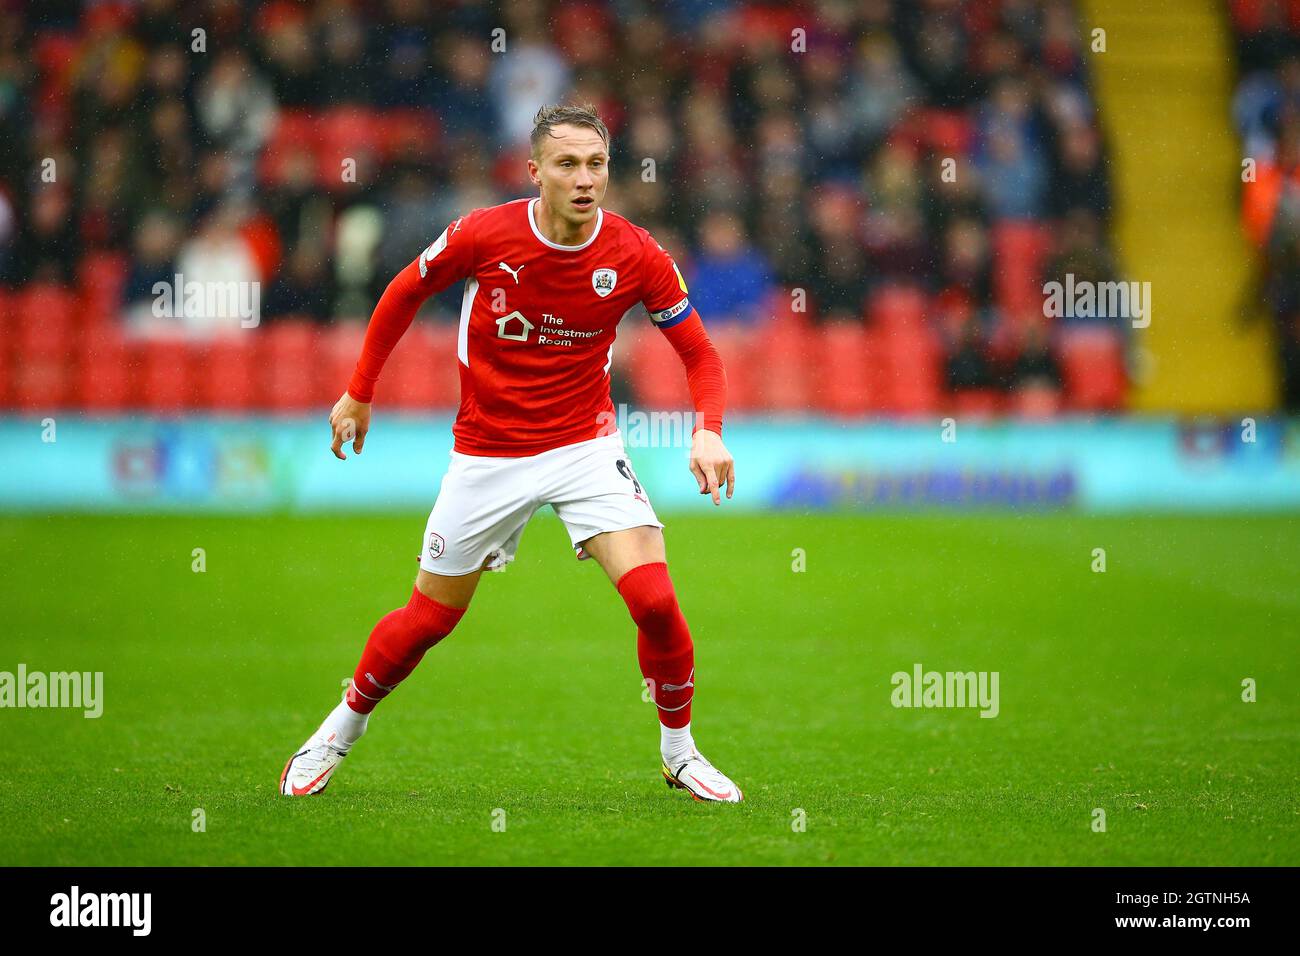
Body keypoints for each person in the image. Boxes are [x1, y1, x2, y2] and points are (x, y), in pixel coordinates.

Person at [280, 104, 743, 802]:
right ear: (535, 172)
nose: (584, 178)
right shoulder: (484, 234)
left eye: (596, 164)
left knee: (654, 599)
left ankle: (680, 753)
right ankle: (340, 730)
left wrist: (707, 428)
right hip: (487, 455)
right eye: (567, 164)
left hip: (585, 446)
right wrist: (358, 391)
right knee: (427, 621)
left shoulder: (635, 253)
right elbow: (405, 291)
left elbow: (700, 354)